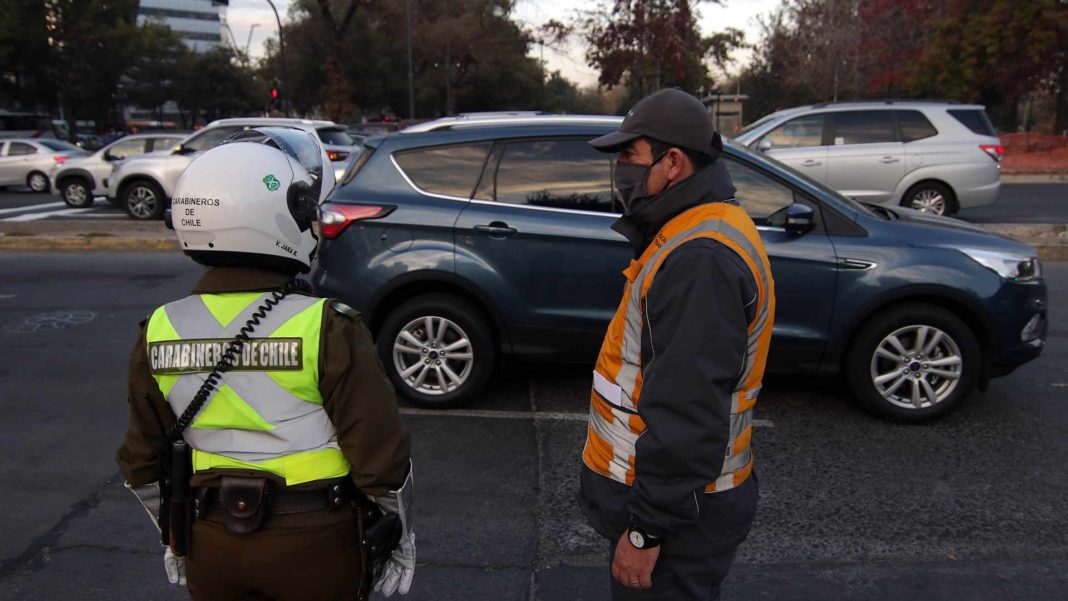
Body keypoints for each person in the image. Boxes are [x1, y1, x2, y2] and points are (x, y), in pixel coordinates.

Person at [117, 127, 415, 601]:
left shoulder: (159, 328)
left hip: (210, 544)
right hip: (316, 542)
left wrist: (173, 534)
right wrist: (401, 536)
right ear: (278, 218)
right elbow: (380, 457)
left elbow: (139, 460)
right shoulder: (327, 326)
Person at [578, 88, 776, 600]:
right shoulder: (695, 227)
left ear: (672, 162)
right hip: (685, 510)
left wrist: (647, 531)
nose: (619, 169)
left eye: (628, 155)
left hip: (680, 524)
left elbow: (686, 412)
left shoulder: (700, 256)